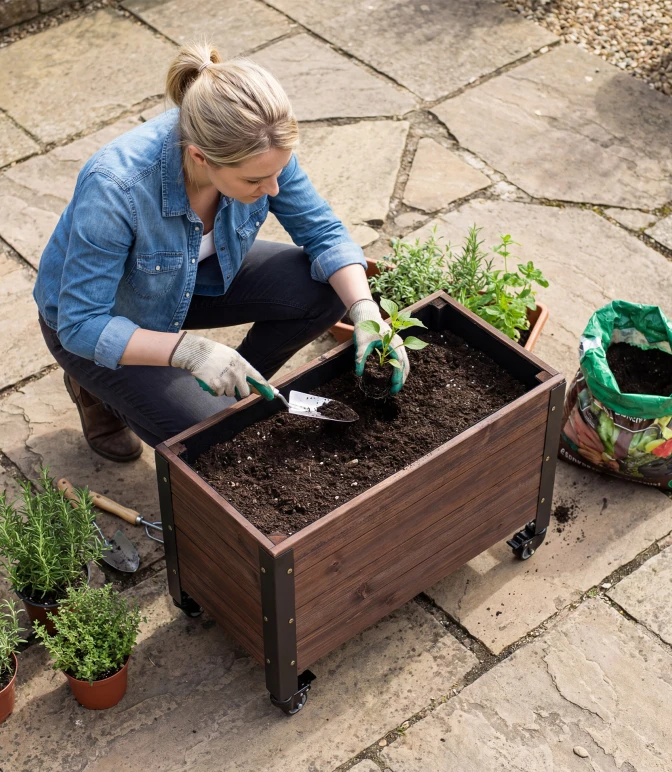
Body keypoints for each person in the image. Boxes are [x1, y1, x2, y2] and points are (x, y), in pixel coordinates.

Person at [34, 42, 409, 462]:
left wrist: (365, 313)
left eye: (278, 172)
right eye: (254, 182)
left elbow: (324, 232)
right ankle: (98, 390)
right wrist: (189, 352)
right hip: (104, 318)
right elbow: (81, 323)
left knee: (325, 292)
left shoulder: (261, 148)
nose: (273, 190)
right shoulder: (116, 187)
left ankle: (230, 391)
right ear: (200, 157)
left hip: (196, 282)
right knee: (212, 440)